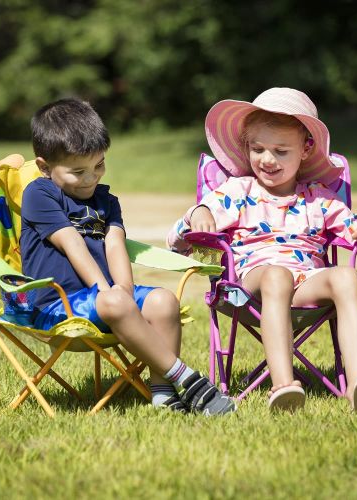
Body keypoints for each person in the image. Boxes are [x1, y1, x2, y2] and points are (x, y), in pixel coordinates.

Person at [167, 87, 357, 412]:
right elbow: (178, 239)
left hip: (306, 283)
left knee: (346, 276)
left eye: (281, 151)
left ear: (305, 150)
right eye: (258, 149)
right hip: (254, 285)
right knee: (277, 276)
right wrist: (197, 214)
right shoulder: (237, 191)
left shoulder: (319, 198)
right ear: (246, 148)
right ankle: (284, 386)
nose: (267, 159)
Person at [20, 98, 236, 416]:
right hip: (57, 305)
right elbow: (72, 245)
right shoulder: (40, 194)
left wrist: (122, 287)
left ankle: (163, 393)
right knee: (115, 301)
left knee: (164, 301)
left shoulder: (107, 201)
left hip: (105, 301)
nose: (90, 178)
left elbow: (115, 245)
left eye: (99, 165)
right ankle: (187, 379)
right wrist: (110, 293)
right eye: (77, 171)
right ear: (44, 167)